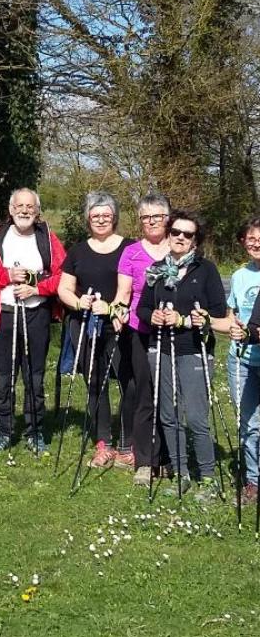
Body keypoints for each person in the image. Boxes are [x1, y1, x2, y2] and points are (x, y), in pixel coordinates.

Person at [137, 209, 227, 500]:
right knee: (169, 416)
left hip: (193, 351)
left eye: (187, 234)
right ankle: (181, 474)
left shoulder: (206, 270)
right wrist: (155, 318)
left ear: (195, 241)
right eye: (175, 232)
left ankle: (209, 477)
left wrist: (190, 319)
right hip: (162, 349)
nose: (180, 237)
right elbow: (143, 308)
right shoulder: (157, 269)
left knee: (198, 418)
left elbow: (217, 312)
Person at [0, 188, 66, 455]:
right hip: (4, 314)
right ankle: (3, 431)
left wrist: (35, 286)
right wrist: (8, 275)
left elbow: (64, 275)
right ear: (11, 209)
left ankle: (35, 431)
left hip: (36, 314)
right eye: (20, 206)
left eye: (30, 206)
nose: (24, 211)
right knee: (4, 378)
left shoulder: (48, 239)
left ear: (37, 211)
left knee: (34, 378)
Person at [57, 191, 132, 467]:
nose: (101, 220)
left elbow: (136, 286)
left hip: (120, 324)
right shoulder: (78, 250)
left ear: (115, 217)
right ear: (88, 218)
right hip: (86, 325)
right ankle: (104, 444)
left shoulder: (129, 248)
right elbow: (63, 287)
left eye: (106, 215)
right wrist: (79, 302)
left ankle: (128, 442)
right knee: (95, 383)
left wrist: (115, 309)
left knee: (129, 383)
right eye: (95, 215)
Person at [113, 193, 171, 485]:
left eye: (157, 216)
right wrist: (117, 313)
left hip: (175, 333)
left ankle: (170, 456)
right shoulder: (131, 252)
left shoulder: (180, 247)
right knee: (145, 394)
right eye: (145, 217)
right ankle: (146, 461)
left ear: (167, 218)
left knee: (171, 395)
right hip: (139, 329)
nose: (151, 222)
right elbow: (123, 294)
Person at [216, 217, 260, 505]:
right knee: (249, 423)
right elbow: (232, 317)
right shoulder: (240, 276)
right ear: (243, 242)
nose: (256, 243)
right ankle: (253, 480)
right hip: (242, 361)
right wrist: (216, 323)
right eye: (251, 238)